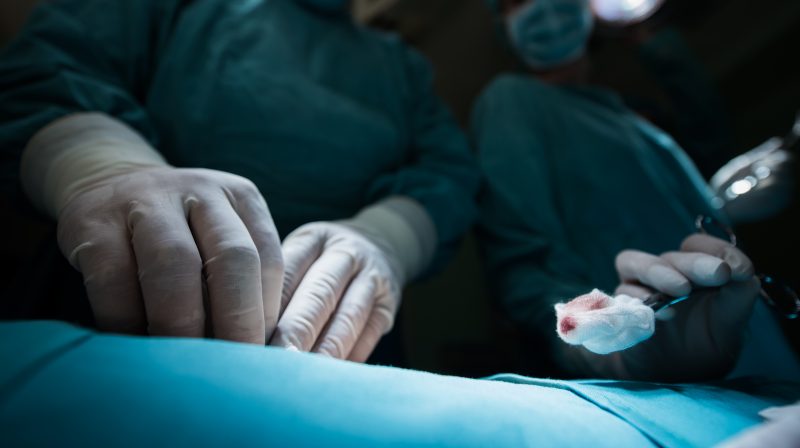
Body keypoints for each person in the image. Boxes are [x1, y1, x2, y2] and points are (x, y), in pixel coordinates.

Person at [0, 0, 480, 362]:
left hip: (336, 337)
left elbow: (445, 176)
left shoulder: (400, 68)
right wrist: (106, 168)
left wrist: (387, 236)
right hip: (111, 304)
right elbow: (44, 77)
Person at [473, 0, 799, 381]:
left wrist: (722, 203)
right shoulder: (511, 101)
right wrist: (597, 344)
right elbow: (524, 265)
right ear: (501, 21)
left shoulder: (626, 114)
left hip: (743, 329)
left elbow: (698, 144)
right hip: (657, 352)